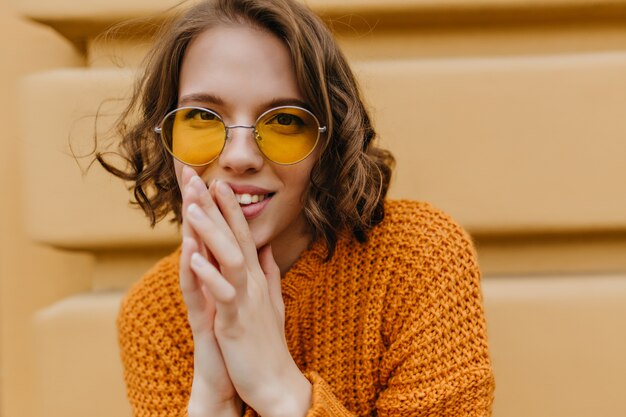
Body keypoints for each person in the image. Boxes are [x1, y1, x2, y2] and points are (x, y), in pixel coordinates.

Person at [99, 0, 495, 416]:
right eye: (202, 117)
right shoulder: (156, 317)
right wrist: (214, 401)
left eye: (284, 120)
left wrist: (278, 390)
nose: (240, 156)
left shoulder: (417, 258)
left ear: (329, 141)